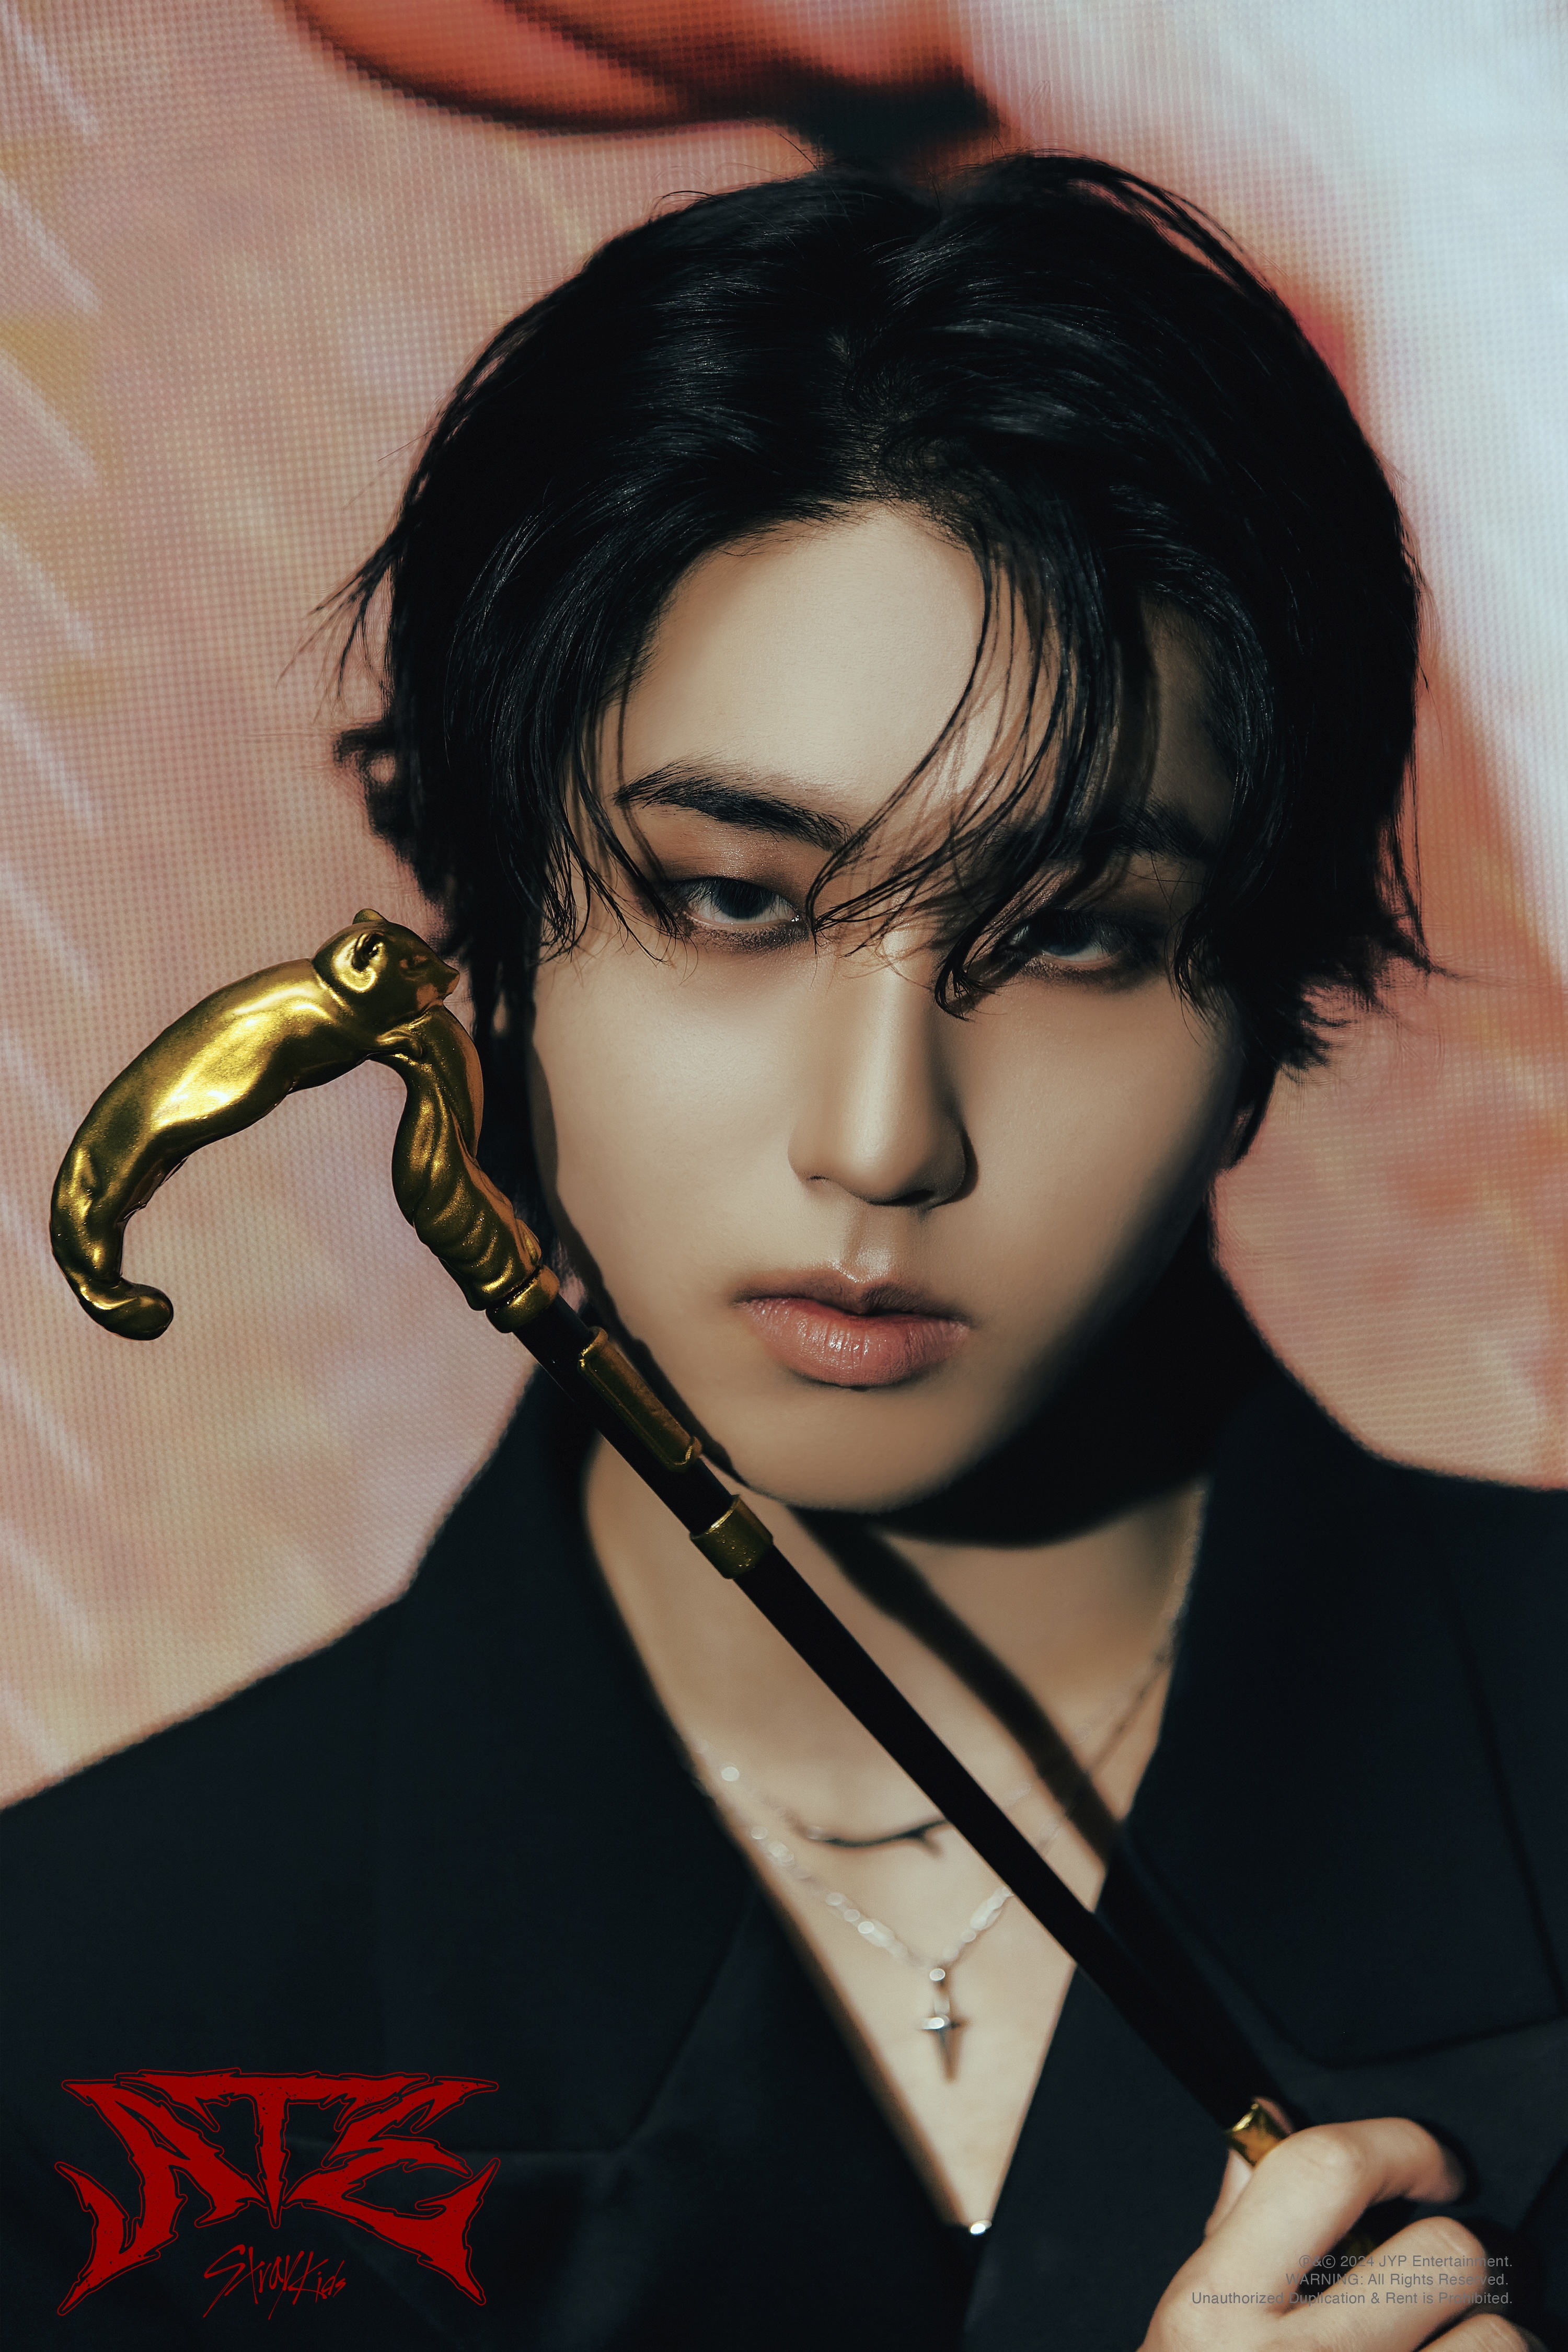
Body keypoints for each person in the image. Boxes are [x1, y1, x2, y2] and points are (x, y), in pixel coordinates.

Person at [3, 156, 1564, 2350]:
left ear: (1261, 1011)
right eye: (731, 897)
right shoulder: (84, 2020)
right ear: (486, 932)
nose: (881, 1136)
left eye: (1080, 935)